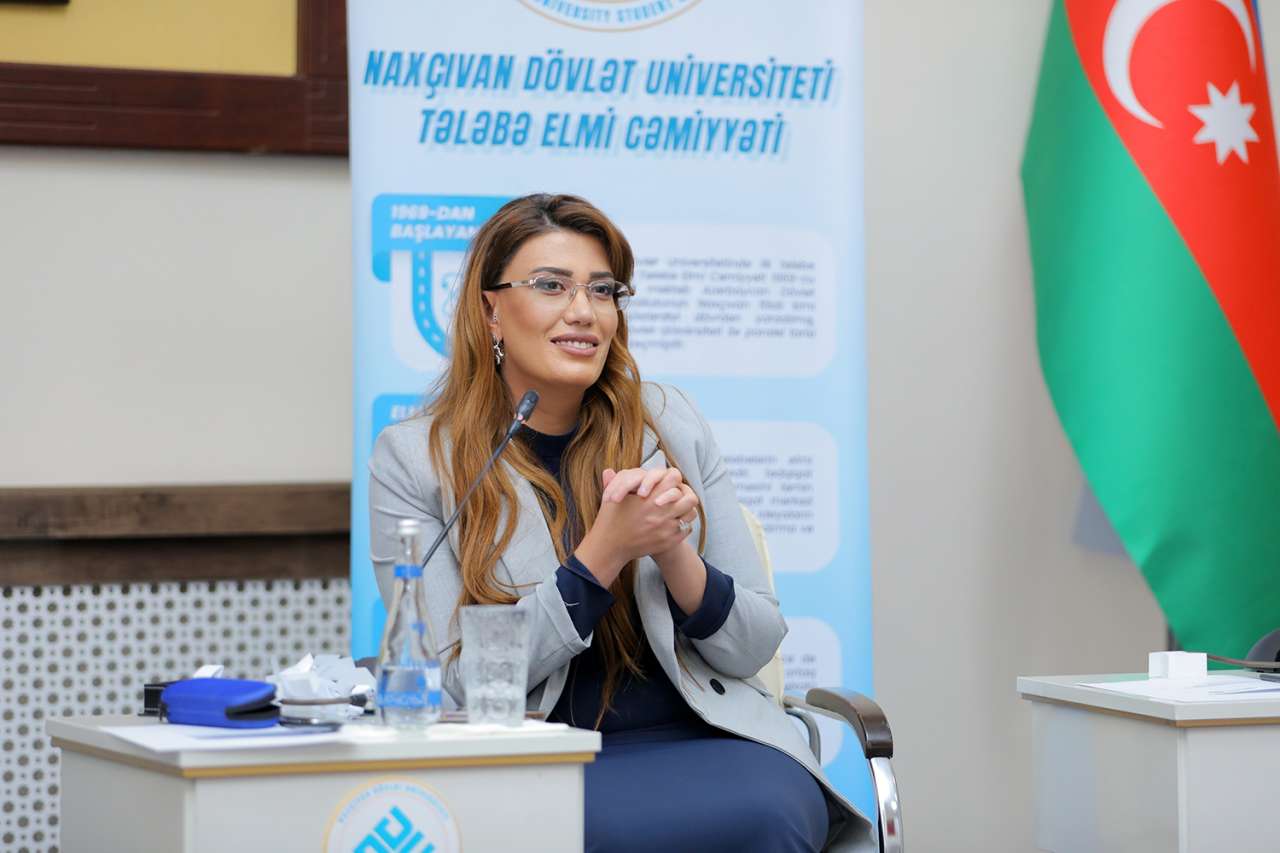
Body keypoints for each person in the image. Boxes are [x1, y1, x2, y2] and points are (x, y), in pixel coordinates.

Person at [368, 193, 872, 852]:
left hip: (710, 737)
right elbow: (453, 688)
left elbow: (753, 645)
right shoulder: (416, 460)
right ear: (490, 310)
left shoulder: (670, 423)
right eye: (551, 285)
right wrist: (601, 556)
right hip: (543, 754)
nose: (584, 311)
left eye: (602, 290)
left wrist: (673, 552)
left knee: (771, 811)